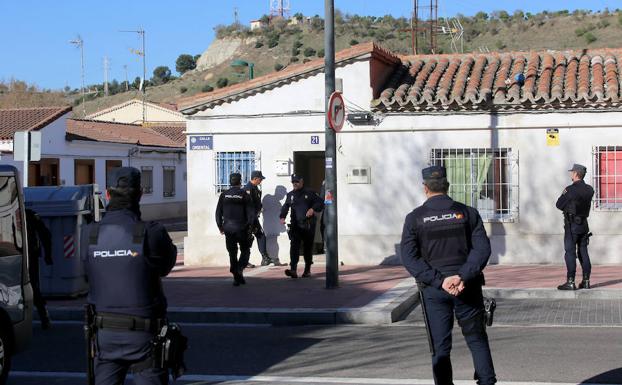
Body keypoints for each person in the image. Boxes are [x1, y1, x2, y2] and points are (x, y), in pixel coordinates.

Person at [400, 166, 496, 385]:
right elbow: (482, 249)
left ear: (425, 188)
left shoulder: (414, 218)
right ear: (448, 186)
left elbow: (409, 258)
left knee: (440, 348)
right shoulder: (468, 213)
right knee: (477, 339)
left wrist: (439, 280)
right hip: (467, 287)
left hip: (435, 290)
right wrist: (462, 276)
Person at [81, 167, 177, 385]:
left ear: (107, 195)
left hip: (104, 335)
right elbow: (165, 267)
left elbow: (88, 274)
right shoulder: (151, 232)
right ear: (141, 194)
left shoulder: (89, 233)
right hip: (144, 335)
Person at [556, 163, 594, 290]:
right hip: (584, 225)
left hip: (572, 226)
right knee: (583, 252)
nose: (571, 174)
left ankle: (571, 281)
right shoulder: (589, 189)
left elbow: (559, 204)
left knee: (570, 253)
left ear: (576, 174)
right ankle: (586, 281)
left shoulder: (570, 189)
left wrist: (569, 206)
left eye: (572, 172)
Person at [279, 174, 324, 278]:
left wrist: (313, 209)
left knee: (307, 248)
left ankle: (307, 270)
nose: (295, 184)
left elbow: (320, 203)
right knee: (294, 247)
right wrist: (282, 217)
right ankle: (293, 270)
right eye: (293, 182)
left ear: (301, 181)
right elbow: (285, 206)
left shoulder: (310, 192)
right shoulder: (290, 195)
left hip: (308, 225)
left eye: (297, 182)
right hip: (295, 225)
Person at [216, 172, 255, 286]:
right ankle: (239, 269)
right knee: (245, 250)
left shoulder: (224, 195)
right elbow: (251, 214)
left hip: (228, 228)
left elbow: (218, 212)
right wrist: (250, 227)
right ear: (240, 182)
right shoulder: (244, 195)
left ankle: (236, 276)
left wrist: (220, 226)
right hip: (241, 228)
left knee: (232, 253)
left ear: (230, 181)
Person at [244, 170, 284, 266]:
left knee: (260, 236)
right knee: (248, 239)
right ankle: (246, 260)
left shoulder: (255, 188)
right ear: (255, 179)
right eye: (260, 179)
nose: (261, 181)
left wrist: (260, 208)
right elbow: (247, 205)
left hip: (254, 218)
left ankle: (264, 258)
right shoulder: (248, 189)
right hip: (249, 219)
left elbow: (257, 202)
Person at [25, 208, 53, 330]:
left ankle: (43, 316)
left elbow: (45, 234)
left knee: (31, 287)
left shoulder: (28, 214)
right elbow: (45, 234)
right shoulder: (29, 214)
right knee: (32, 286)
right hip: (29, 256)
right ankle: (44, 316)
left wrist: (47, 254)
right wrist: (47, 254)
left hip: (22, 255)